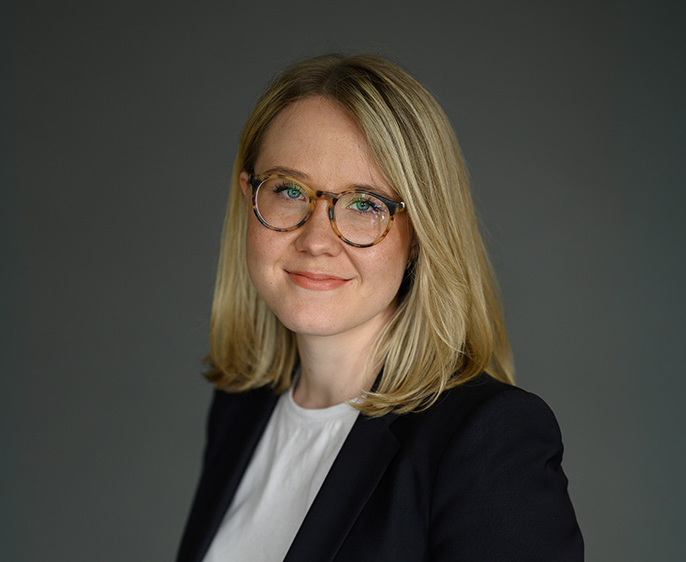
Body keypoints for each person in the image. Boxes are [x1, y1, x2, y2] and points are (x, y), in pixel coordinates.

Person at [177, 54, 583, 562]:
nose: (317, 240)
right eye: (289, 190)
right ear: (249, 198)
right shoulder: (242, 407)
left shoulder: (488, 441)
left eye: (365, 204)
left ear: (420, 234)